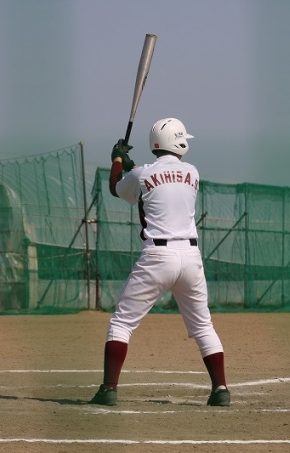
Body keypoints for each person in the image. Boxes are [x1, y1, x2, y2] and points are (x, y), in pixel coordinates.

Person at [89, 118, 230, 407]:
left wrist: (117, 159)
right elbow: (157, 179)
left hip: (157, 257)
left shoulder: (142, 174)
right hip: (190, 257)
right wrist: (129, 164)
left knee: (122, 323)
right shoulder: (192, 172)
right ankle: (221, 389)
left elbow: (117, 187)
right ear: (179, 142)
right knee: (203, 326)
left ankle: (108, 389)